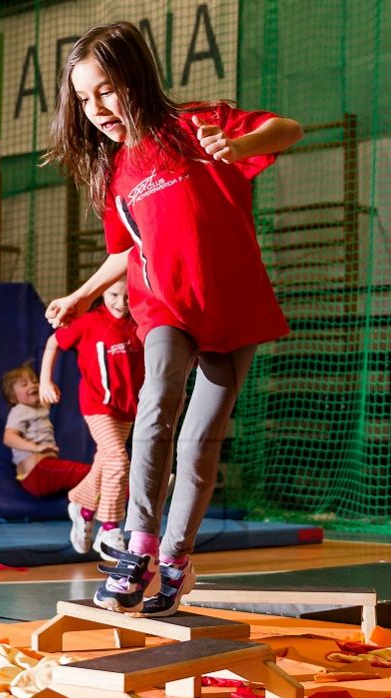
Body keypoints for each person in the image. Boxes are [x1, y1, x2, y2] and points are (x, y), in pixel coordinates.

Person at [42, 21, 303, 616]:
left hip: (233, 307)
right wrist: (83, 295)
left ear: (134, 77)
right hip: (164, 307)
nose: (96, 108)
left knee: (199, 441)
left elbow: (287, 129)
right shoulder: (117, 174)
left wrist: (238, 148)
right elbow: (125, 248)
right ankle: (137, 549)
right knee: (157, 405)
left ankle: (177, 560)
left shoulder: (196, 125)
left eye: (105, 90)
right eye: (84, 99)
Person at [39, 279, 143, 561]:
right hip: (97, 404)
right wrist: (44, 381)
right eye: (113, 295)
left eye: (128, 296)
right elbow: (54, 342)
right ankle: (109, 528)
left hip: (127, 407)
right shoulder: (89, 322)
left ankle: (82, 506)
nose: (120, 303)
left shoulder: (139, 321)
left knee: (105, 462)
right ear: (102, 294)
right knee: (119, 461)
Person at [1, 364, 91, 500]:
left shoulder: (39, 408)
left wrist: (47, 385)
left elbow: (48, 395)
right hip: (37, 472)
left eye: (34, 381)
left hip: (45, 470)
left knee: (90, 476)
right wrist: (36, 447)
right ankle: (131, 501)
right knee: (93, 473)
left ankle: (83, 501)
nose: (32, 385)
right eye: (24, 384)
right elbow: (8, 438)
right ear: (13, 398)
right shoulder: (20, 409)